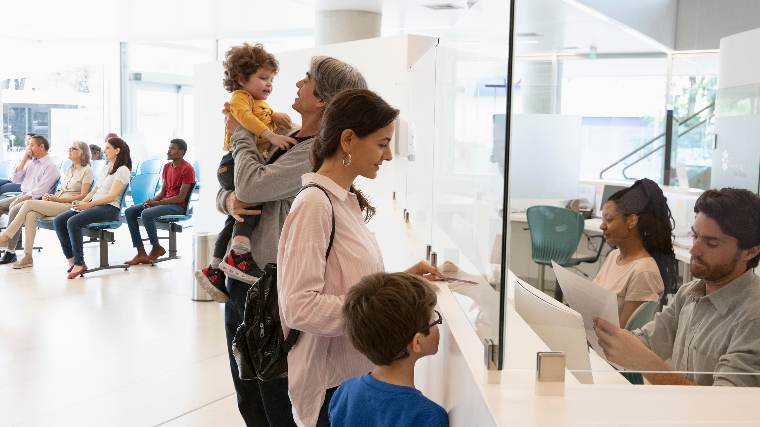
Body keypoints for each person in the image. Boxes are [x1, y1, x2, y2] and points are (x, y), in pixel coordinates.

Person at [203, 56, 368, 427]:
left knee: (271, 393)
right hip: (244, 278)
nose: (297, 84)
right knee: (248, 390)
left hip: (267, 284)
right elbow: (234, 191)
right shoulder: (287, 135)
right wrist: (228, 202)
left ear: (322, 99)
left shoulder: (311, 153)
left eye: (307, 79)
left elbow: (251, 184)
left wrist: (242, 129)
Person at [277, 88, 441, 427]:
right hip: (329, 385)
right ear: (348, 140)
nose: (388, 156)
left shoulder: (344, 203)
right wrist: (377, 313)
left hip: (352, 374)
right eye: (382, 144)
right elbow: (298, 306)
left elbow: (349, 283)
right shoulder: (313, 205)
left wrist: (400, 283)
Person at [595, 188, 760, 387]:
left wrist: (649, 366)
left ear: (750, 251)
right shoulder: (689, 293)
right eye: (695, 236)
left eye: (711, 243)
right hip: (678, 412)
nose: (694, 249)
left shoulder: (753, 318)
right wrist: (601, 332)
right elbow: (648, 339)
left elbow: (724, 406)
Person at [204, 43, 296, 285]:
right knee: (249, 204)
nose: (269, 84)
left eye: (271, 79)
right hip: (233, 161)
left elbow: (259, 116)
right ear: (241, 78)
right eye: (263, 77)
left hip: (239, 161)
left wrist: (275, 117)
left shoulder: (259, 104)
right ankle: (240, 253)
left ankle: (215, 265)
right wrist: (270, 135)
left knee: (238, 212)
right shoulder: (239, 98)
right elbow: (244, 118)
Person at [329, 272, 449, 427]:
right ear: (417, 342)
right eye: (434, 320)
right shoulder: (427, 416)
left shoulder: (345, 392)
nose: (437, 325)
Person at [593, 178, 678, 327]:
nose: (602, 226)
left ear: (631, 221)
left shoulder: (643, 271)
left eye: (609, 219)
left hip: (607, 345)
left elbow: (623, 335)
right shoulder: (614, 256)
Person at [0, 141, 93, 268]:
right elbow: (63, 190)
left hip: (70, 205)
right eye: (69, 148)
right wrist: (51, 197)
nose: (69, 150)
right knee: (31, 215)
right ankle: (28, 257)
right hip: (59, 201)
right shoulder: (70, 168)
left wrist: (58, 200)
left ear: (82, 153)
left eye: (73, 149)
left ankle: (7, 236)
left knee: (28, 203)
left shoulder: (87, 170)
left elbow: (83, 196)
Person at [53, 137, 132, 278]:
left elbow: (112, 196)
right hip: (95, 206)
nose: (104, 151)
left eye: (108, 148)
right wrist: (81, 203)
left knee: (73, 222)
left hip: (109, 209)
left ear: (117, 150)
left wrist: (88, 205)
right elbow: (94, 190)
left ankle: (79, 263)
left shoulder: (123, 170)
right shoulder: (107, 167)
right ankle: (71, 261)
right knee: (59, 220)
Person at [124, 139, 195, 265]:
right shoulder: (167, 167)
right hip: (165, 203)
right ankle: (141, 252)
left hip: (177, 206)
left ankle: (156, 247)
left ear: (181, 152)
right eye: (169, 148)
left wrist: (157, 204)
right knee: (130, 211)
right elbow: (162, 193)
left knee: (146, 213)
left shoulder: (187, 169)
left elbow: (180, 198)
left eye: (172, 148)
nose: (168, 151)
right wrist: (151, 201)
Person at [0, 135, 60, 265]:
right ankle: (2, 241)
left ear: (42, 147)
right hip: (24, 194)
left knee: (14, 209)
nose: (29, 148)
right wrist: (23, 160)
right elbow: (15, 179)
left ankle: (10, 252)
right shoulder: (31, 162)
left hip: (37, 199)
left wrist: (21, 198)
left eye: (31, 145)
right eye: (28, 145)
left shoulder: (51, 166)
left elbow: (41, 191)